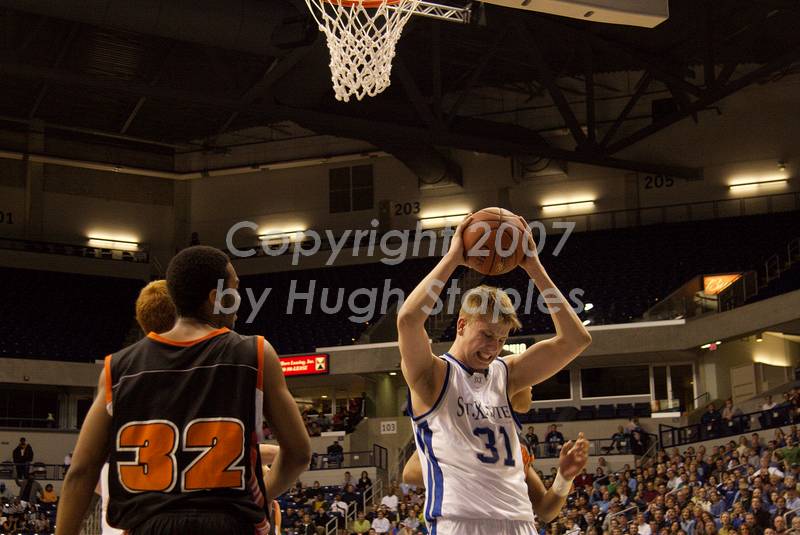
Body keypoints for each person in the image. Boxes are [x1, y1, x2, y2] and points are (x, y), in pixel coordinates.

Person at [55, 246, 311, 535]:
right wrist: (264, 489)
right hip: (227, 523)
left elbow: (81, 471)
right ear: (216, 298)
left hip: (147, 526)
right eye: (235, 289)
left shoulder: (118, 368)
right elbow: (299, 453)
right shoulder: (255, 353)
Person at [397, 214, 591, 535]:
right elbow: (408, 320)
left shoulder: (507, 374)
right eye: (486, 335)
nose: (493, 348)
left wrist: (533, 266)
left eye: (501, 340)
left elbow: (576, 340)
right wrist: (454, 257)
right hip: (461, 523)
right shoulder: (434, 375)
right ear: (461, 325)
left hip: (518, 522)